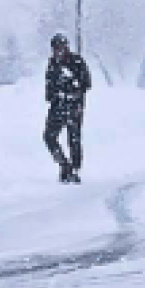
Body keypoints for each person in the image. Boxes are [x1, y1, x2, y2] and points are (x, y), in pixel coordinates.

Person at [44, 33, 92, 183]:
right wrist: (54, 95)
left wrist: (73, 90)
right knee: (49, 137)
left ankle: (75, 169)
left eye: (61, 48)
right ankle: (64, 165)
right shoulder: (52, 64)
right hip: (57, 106)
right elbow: (49, 87)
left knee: (74, 139)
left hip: (74, 105)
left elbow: (87, 83)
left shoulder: (76, 61)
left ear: (66, 48)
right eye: (55, 48)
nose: (58, 51)